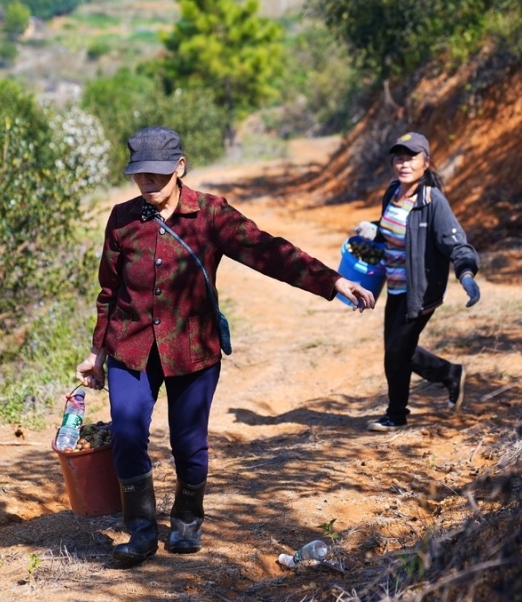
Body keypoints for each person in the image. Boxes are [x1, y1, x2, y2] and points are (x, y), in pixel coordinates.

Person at [76, 126, 376, 566]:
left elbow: (268, 251)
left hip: (192, 348)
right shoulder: (122, 219)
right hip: (132, 347)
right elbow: (110, 290)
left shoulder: (211, 214)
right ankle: (140, 533)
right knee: (126, 433)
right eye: (140, 176)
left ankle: (186, 519)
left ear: (179, 168)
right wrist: (98, 353)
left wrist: (332, 282)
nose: (148, 185)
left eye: (158, 175)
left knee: (189, 443)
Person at [354, 131, 480, 432]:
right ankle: (450, 374)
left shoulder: (432, 201)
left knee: (396, 352)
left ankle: (396, 415)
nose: (404, 163)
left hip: (421, 291)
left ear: (426, 162)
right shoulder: (393, 191)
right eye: (399, 157)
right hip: (395, 286)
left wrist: (466, 273)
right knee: (399, 350)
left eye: (411, 157)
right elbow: (397, 230)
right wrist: (375, 230)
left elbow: (455, 242)